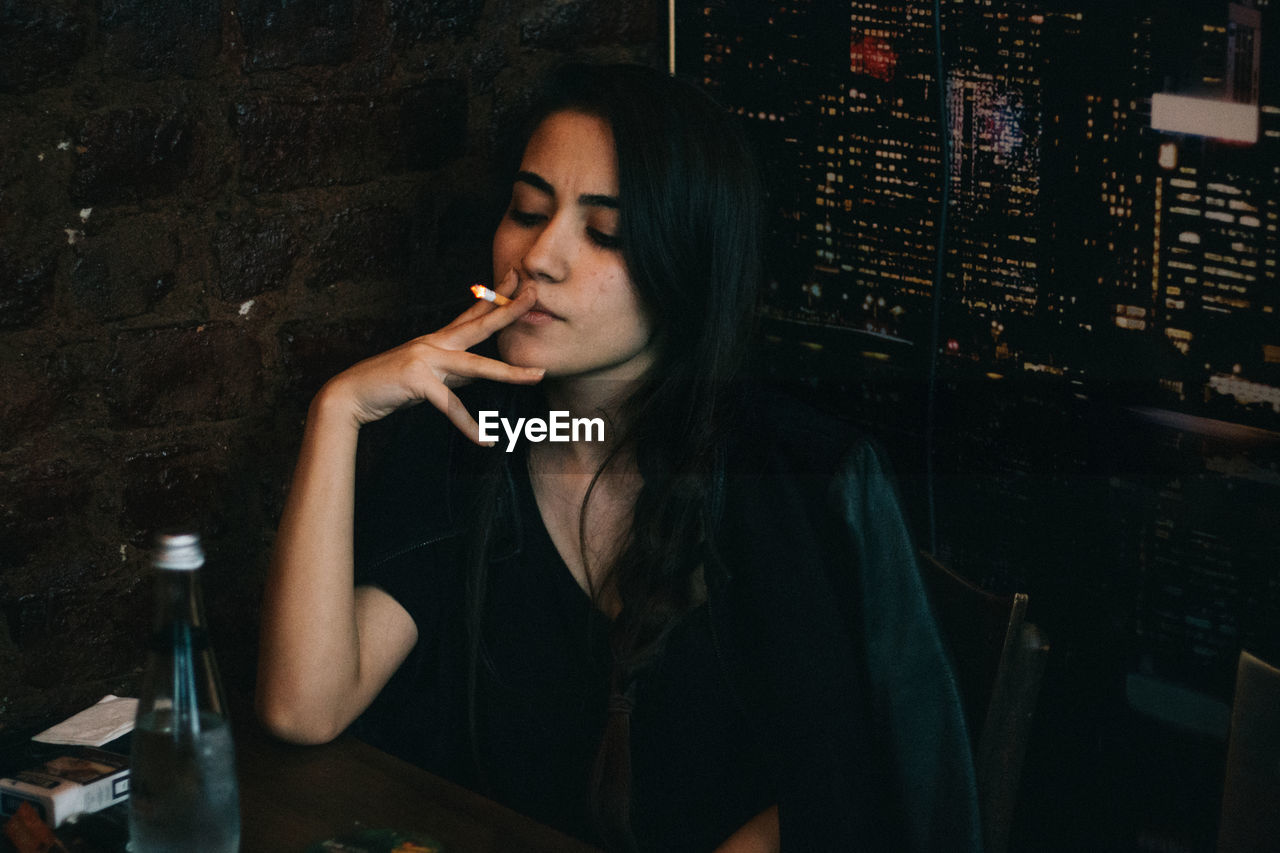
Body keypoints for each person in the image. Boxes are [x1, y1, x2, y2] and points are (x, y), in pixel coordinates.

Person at [256, 62, 980, 853]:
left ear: (686, 268)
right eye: (529, 210)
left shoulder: (793, 481)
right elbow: (305, 705)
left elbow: (839, 799)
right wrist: (341, 410)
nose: (539, 257)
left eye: (606, 232)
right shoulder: (476, 434)